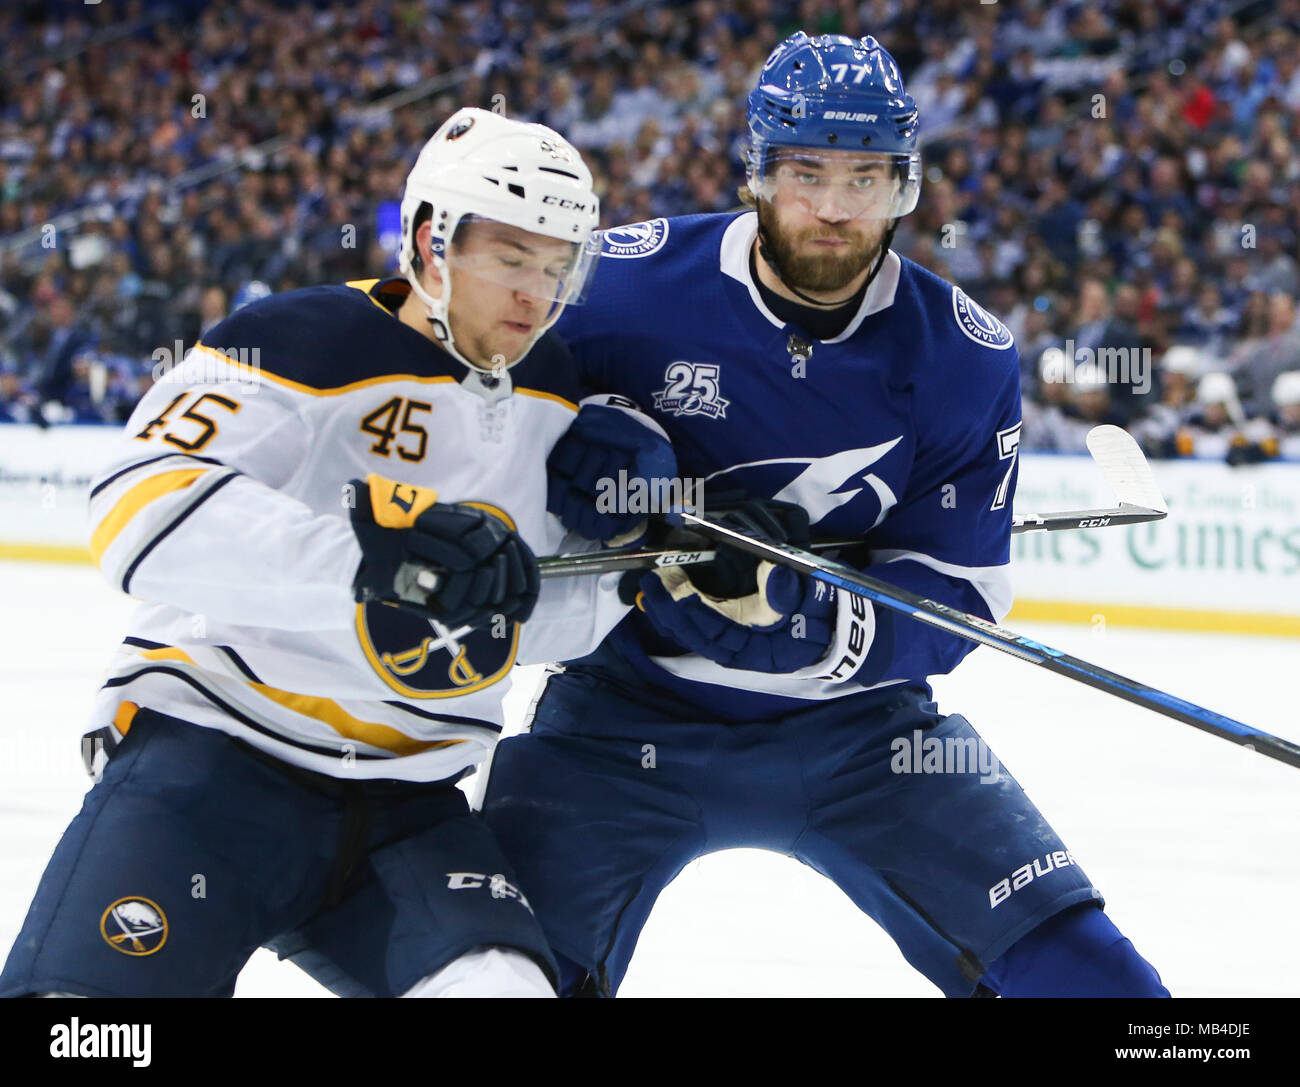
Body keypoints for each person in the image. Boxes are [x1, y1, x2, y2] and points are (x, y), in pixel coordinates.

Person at [481, 34, 1169, 998]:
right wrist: (586, 446)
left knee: (1109, 992)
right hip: (615, 720)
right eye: (806, 172)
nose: (836, 207)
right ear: (757, 171)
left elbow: (958, 596)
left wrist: (814, 622)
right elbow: (482, 429)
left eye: (867, 176)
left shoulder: (964, 357)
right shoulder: (613, 290)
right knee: (480, 979)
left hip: (866, 734)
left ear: (907, 186)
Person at [0, 108, 674, 999]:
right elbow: (139, 510)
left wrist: (648, 548)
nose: (534, 298)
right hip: (211, 763)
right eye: (510, 258)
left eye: (559, 269)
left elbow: (544, 620)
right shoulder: (298, 339)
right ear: (433, 241)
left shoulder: (558, 396)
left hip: (412, 810)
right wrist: (371, 561)